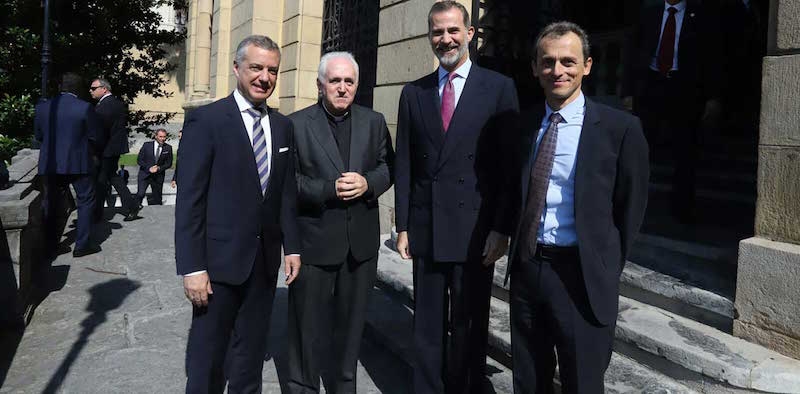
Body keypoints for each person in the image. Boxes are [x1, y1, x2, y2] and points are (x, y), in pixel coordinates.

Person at [507, 22, 649, 393]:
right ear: (535, 68)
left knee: (582, 383)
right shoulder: (523, 125)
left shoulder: (620, 129)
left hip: (581, 278)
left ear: (587, 65)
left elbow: (630, 209)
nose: (558, 71)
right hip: (528, 270)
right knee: (528, 380)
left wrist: (603, 264)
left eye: (568, 61)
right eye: (548, 62)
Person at [394, 2, 519, 392]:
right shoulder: (413, 93)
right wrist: (402, 225)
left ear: (469, 33)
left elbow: (509, 168)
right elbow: (405, 164)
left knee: (470, 324)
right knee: (427, 327)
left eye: (452, 30)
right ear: (429, 36)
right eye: (437, 31)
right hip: (427, 226)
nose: (445, 38)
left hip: (475, 229)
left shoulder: (498, 88)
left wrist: (501, 228)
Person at [175, 35, 302, 393]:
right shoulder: (207, 120)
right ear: (236, 68)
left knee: (250, 357)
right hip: (217, 266)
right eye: (256, 67)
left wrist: (292, 247)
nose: (265, 77)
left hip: (263, 265)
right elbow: (190, 201)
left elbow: (285, 194)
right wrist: (192, 268)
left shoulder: (283, 127)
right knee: (208, 360)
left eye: (272, 70)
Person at [285, 52, 394, 393]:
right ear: (320, 85)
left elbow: (388, 167)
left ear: (357, 85)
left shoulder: (374, 121)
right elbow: (288, 182)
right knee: (306, 331)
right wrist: (328, 189)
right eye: (335, 81)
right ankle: (302, 387)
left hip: (359, 247)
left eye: (349, 81)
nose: (342, 87)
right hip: (315, 243)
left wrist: (368, 183)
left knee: (350, 333)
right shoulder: (296, 124)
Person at [622, 0, 722, 223]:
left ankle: (682, 208)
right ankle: (632, 204)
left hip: (685, 90)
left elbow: (712, 58)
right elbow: (632, 53)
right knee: (640, 147)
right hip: (651, 86)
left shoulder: (701, 15)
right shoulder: (649, 13)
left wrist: (713, 97)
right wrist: (627, 92)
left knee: (685, 151)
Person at [36, 72, 106, 258]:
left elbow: (39, 136)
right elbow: (95, 137)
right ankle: (82, 245)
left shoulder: (43, 107)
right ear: (78, 89)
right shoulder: (84, 108)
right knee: (86, 200)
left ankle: (51, 245)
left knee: (51, 201)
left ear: (60, 87)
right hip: (79, 162)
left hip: (51, 163)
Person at [89, 77, 139, 222]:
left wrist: (93, 148)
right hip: (112, 148)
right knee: (111, 177)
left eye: (94, 88)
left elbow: (101, 131)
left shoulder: (105, 105)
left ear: (104, 89)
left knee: (101, 181)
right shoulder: (114, 102)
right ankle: (131, 206)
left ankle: (97, 213)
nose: (91, 91)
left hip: (106, 149)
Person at [135, 128, 173, 207]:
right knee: (140, 194)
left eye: (164, 137)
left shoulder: (168, 148)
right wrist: (149, 168)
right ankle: (135, 208)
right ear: (156, 136)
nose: (162, 139)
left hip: (158, 176)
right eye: (160, 136)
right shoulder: (147, 145)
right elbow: (139, 160)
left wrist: (159, 168)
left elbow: (168, 163)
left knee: (157, 198)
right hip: (145, 174)